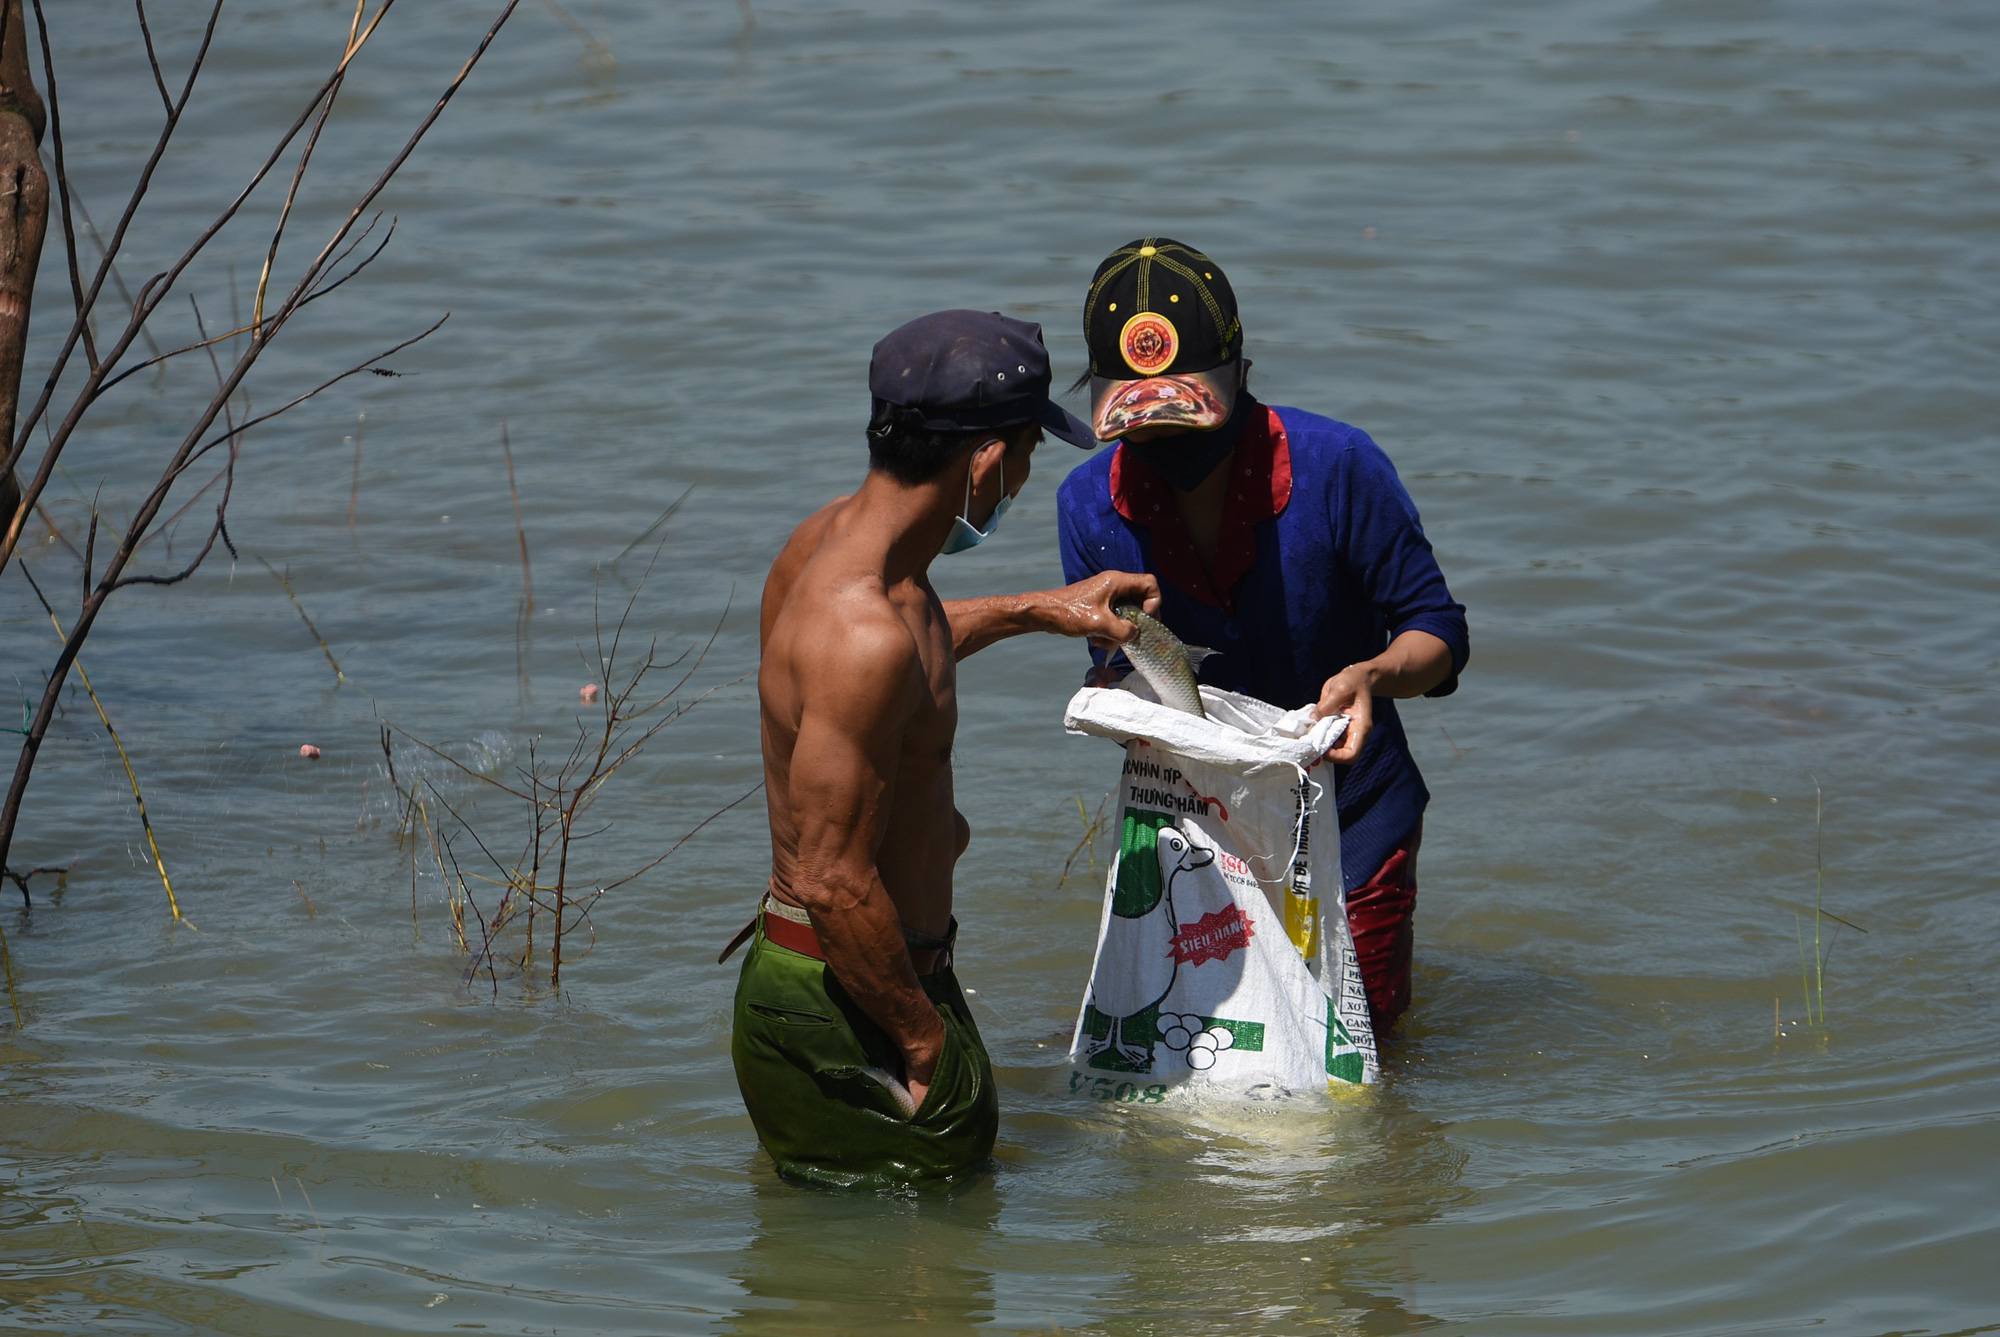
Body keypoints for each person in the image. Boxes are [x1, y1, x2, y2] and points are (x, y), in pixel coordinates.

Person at [734, 309, 1159, 1188]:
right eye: (1029, 456)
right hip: (854, 999)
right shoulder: (866, 633)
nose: (1023, 478)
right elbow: (830, 876)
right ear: (989, 462)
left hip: (852, 981)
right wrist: (924, 1040)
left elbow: (899, 650)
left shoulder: (829, 548)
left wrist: (1040, 607)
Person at [1056, 238, 1470, 1036]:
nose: (1170, 453)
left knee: (1360, 1054)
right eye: (1147, 433)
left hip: (1355, 812)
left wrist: (1375, 674)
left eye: (1189, 425)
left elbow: (1439, 631)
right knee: (1207, 1053)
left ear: (1242, 375)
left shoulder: (1337, 467)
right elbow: (1114, 670)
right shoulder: (1088, 506)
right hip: (1198, 834)